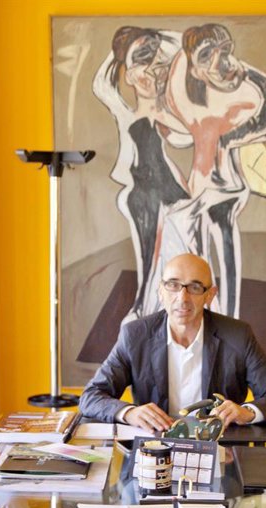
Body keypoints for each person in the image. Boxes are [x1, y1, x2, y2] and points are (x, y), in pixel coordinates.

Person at [79, 252, 266, 432]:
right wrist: (129, 412)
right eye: (173, 285)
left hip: (221, 450)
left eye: (194, 287)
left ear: (210, 295)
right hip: (155, 451)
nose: (182, 298)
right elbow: (91, 397)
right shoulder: (135, 335)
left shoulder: (238, 335)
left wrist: (248, 412)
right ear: (160, 291)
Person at [160, 24, 266, 318]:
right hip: (202, 195)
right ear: (193, 69)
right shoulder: (195, 112)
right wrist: (188, 53)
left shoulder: (234, 110)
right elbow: (173, 90)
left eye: (225, 51)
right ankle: (212, 320)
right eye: (207, 56)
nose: (219, 62)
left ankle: (229, 320)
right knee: (199, 266)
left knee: (225, 264)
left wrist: (243, 70)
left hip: (225, 192)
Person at [92, 26, 191, 319]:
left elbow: (187, 137)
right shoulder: (126, 113)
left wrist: (156, 37)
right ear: (128, 73)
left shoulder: (168, 114)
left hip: (170, 195)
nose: (151, 72)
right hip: (141, 195)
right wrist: (124, 51)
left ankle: (159, 313)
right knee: (151, 259)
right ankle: (143, 311)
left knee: (177, 258)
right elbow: (100, 83)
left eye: (157, 63)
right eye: (141, 62)